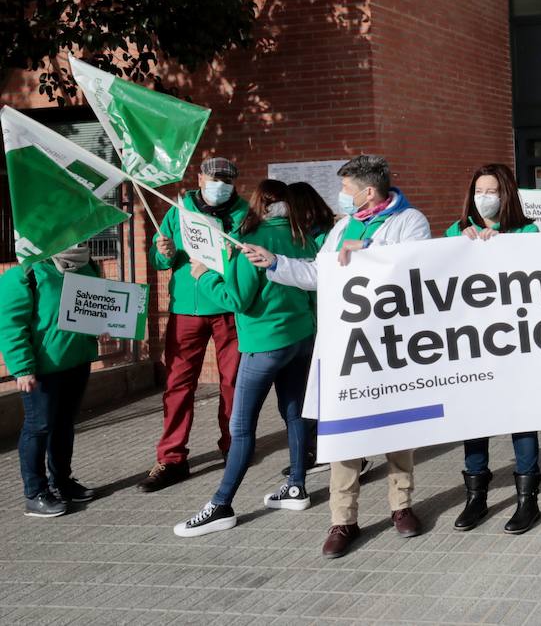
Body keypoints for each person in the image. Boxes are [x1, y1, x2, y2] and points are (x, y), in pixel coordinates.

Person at [241, 155, 429, 559]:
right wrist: (275, 261)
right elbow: (318, 272)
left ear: (369, 191)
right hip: (346, 345)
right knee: (345, 430)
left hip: (392, 344)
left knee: (397, 429)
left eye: (346, 189)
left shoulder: (410, 221)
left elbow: (415, 268)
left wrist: (368, 251)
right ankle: (343, 519)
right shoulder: (343, 226)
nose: (341, 197)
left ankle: (401, 507)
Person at [173, 180, 320, 536]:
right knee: (295, 413)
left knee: (241, 428)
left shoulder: (250, 240)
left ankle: (221, 504)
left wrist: (204, 275)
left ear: (258, 204)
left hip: (264, 343)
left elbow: (237, 299)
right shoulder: (303, 236)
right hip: (301, 337)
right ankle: (296, 486)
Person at [139, 156, 250, 493]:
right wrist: (163, 250)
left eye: (228, 179)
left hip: (228, 306)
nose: (221, 184)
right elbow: (162, 262)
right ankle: (171, 458)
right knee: (177, 384)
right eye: (215, 177)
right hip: (186, 309)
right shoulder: (179, 211)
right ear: (200, 178)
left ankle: (234, 447)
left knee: (233, 382)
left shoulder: (244, 213)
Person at [445, 163, 541, 535]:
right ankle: (476, 496)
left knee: (521, 418)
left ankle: (527, 498)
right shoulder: (457, 232)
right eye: (478, 191)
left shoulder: (527, 232)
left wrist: (502, 243)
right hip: (473, 345)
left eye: (492, 192)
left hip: (516, 344)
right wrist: (461, 245)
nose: (484, 198)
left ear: (506, 195)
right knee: (475, 418)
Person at [0, 244, 100, 517]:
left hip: (77, 361)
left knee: (64, 424)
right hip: (43, 369)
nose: (78, 239)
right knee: (39, 426)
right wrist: (22, 368)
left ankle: (62, 482)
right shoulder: (25, 274)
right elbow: (10, 325)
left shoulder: (88, 266)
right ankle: (35, 493)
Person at [278, 182, 337, 479]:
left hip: (326, 324)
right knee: (307, 395)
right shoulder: (300, 237)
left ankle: (336, 451)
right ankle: (313, 451)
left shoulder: (327, 235)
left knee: (321, 394)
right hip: (311, 323)